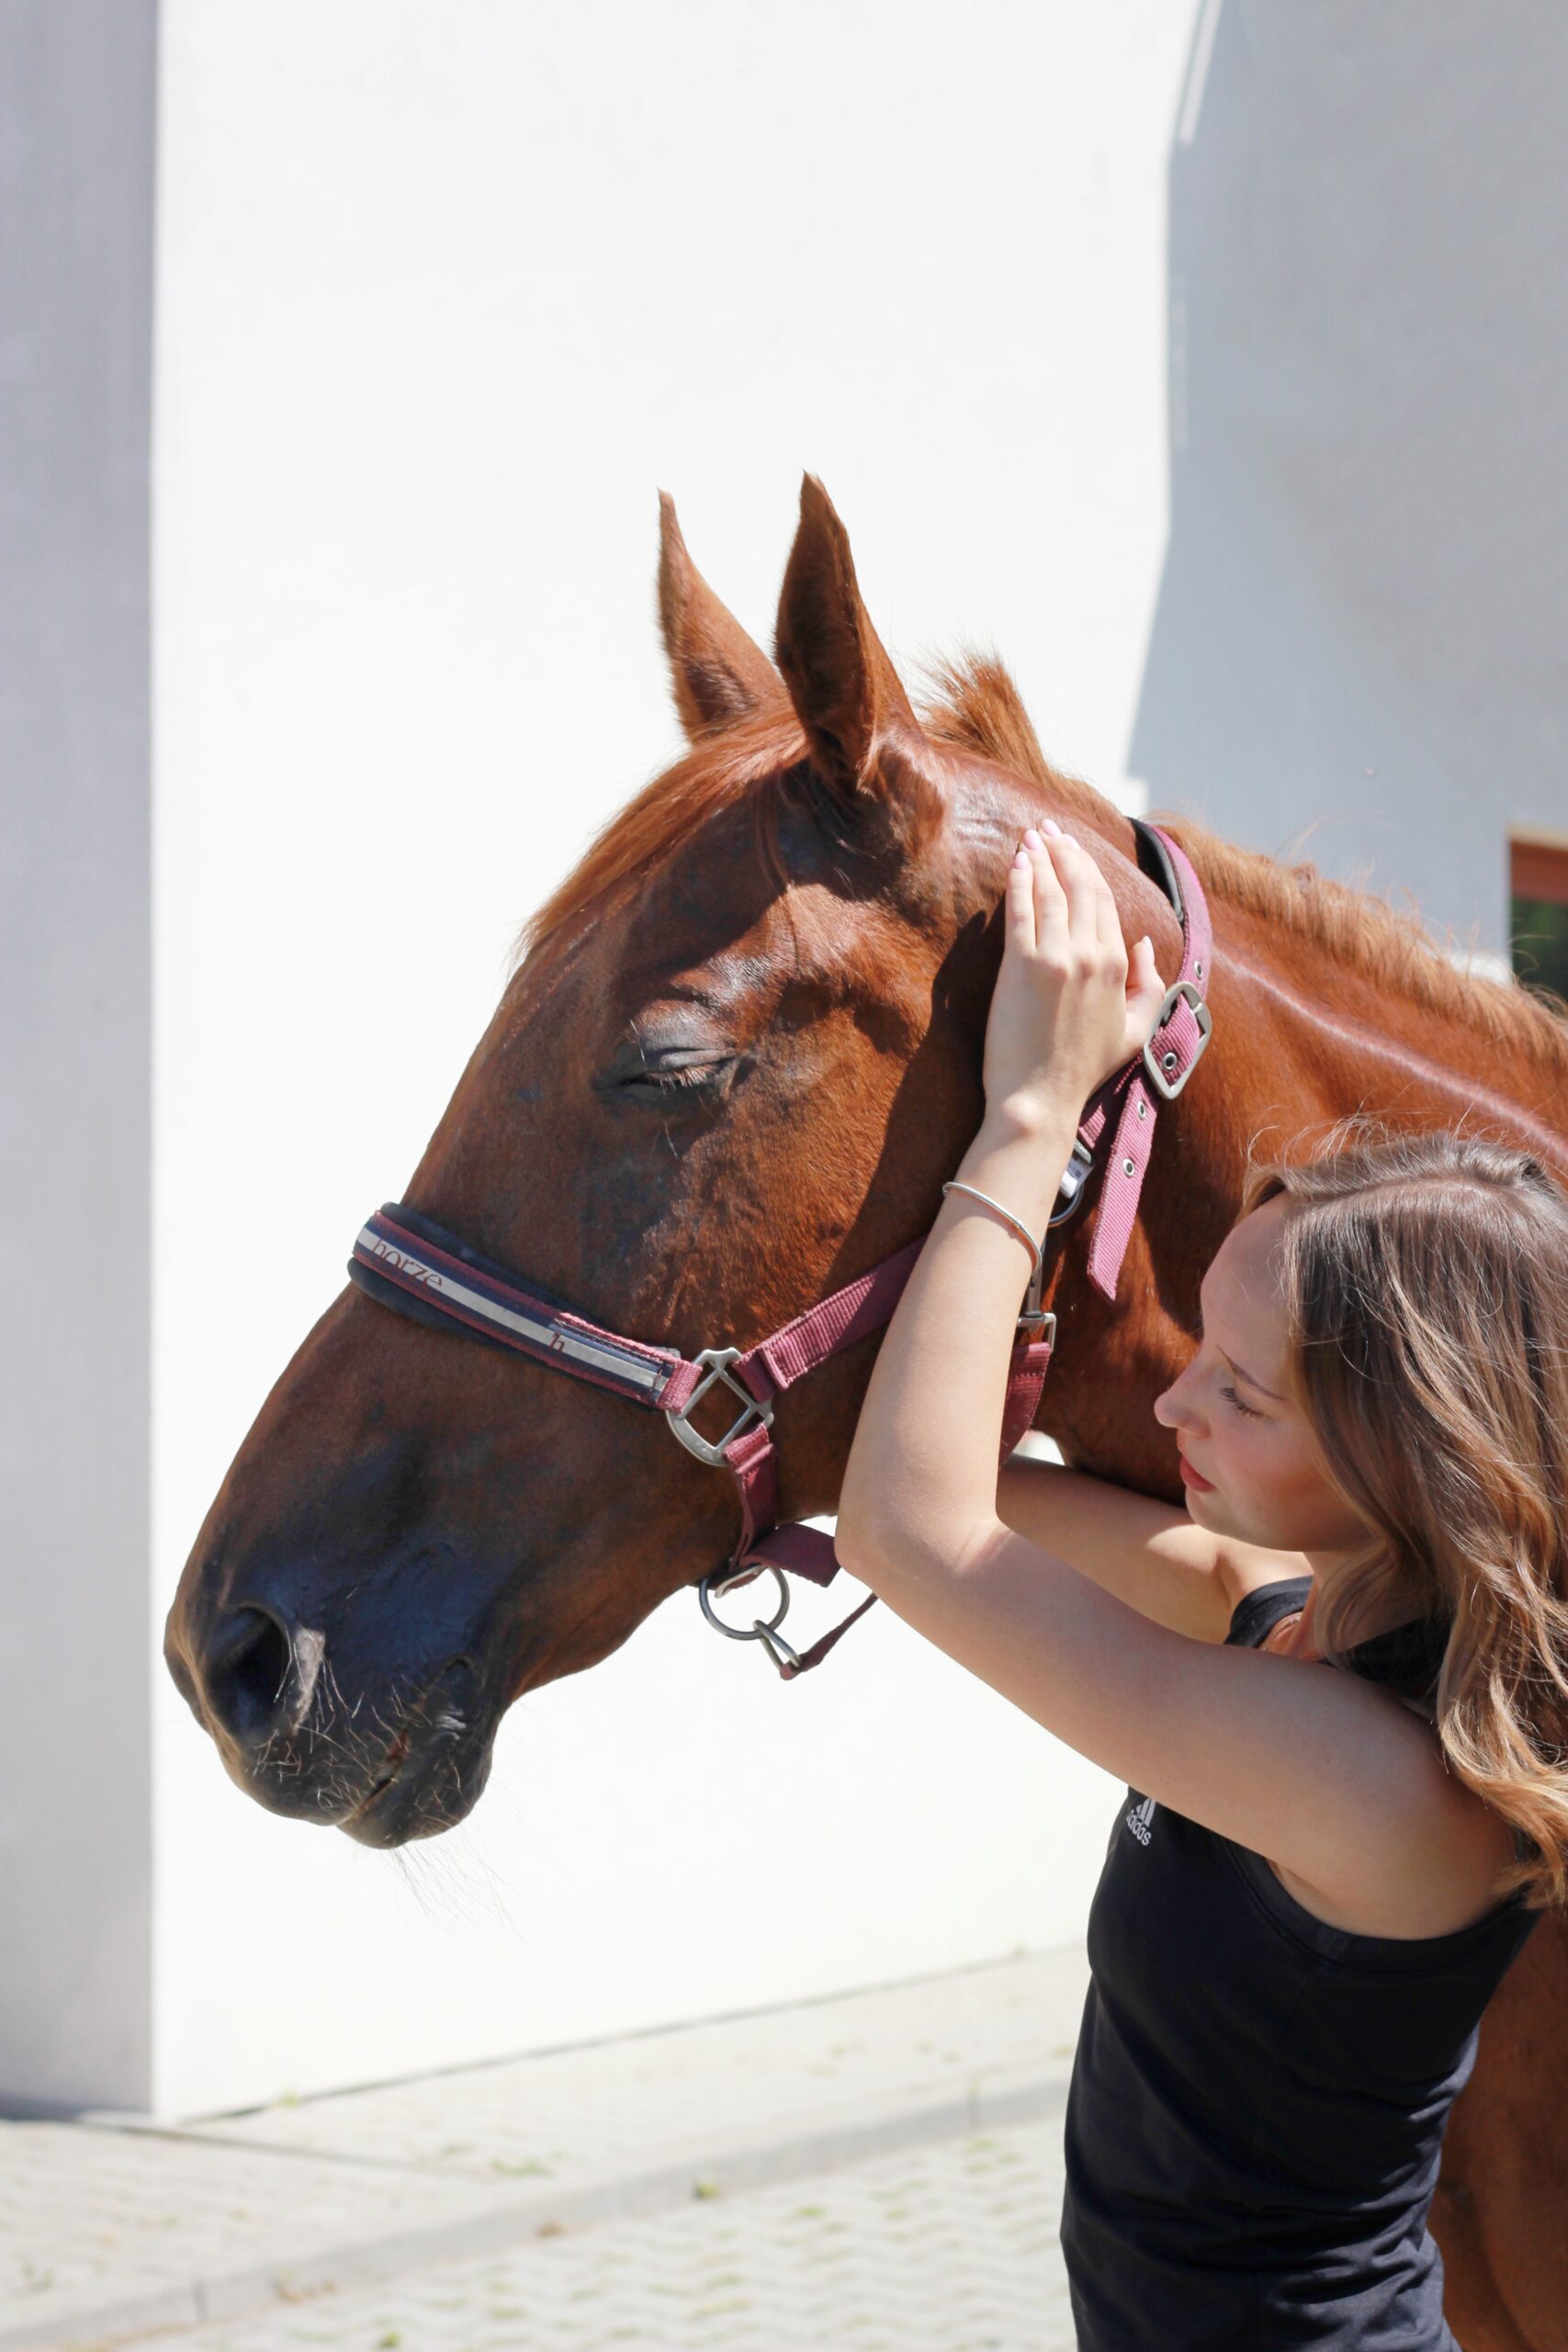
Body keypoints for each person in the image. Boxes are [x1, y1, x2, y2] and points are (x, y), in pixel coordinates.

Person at [834, 818, 1568, 2350]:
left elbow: (914, 1533)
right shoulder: (1285, 1616)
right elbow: (956, 1488)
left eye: (1241, 1393)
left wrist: (1028, 1119)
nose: (1175, 1413)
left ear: (1411, 1458)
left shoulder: (1371, 1780)